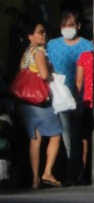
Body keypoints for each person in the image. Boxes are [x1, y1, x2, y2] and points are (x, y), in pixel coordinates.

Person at [46, 10, 93, 185]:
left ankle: (79, 174)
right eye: (64, 25)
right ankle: (74, 173)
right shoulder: (52, 45)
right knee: (67, 137)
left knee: (81, 137)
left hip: (81, 98)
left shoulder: (87, 46)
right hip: (60, 97)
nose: (67, 28)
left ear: (78, 26)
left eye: (71, 25)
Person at [15, 21, 62, 188]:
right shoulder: (39, 52)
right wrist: (50, 70)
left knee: (35, 139)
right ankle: (47, 172)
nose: (44, 35)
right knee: (56, 135)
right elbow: (43, 74)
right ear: (30, 36)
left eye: (44, 32)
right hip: (40, 101)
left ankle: (35, 179)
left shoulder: (26, 52)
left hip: (26, 102)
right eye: (40, 32)